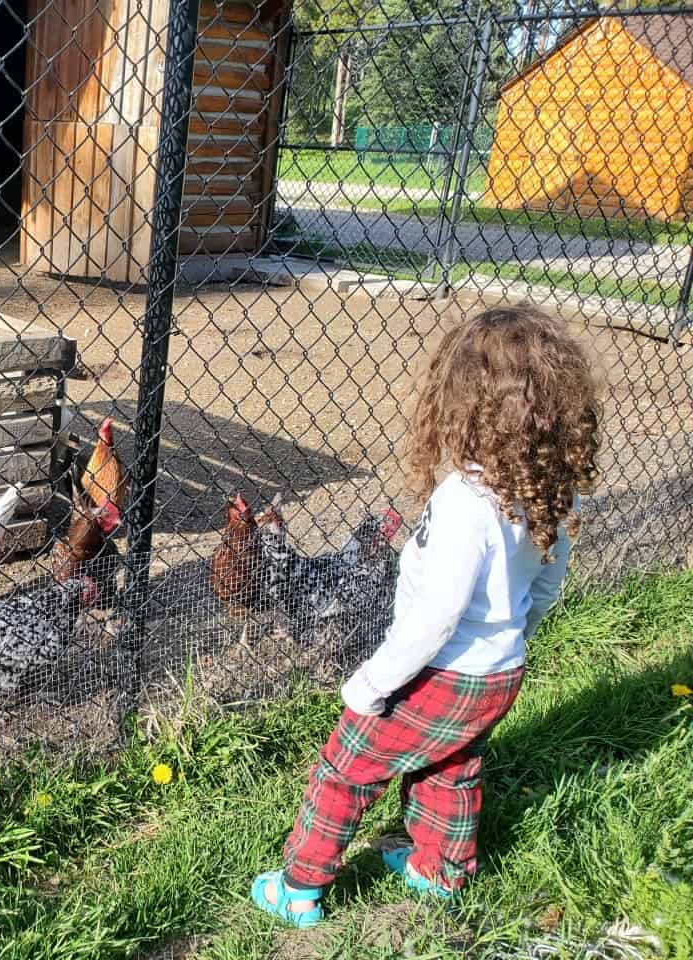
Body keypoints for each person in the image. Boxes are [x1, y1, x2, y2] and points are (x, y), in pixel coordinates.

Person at [251, 306, 601, 928]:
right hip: (499, 671)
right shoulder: (548, 488)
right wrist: (518, 638)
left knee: (347, 770)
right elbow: (547, 582)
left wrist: (374, 681)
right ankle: (439, 871)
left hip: (438, 671)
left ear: (464, 405)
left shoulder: (467, 501)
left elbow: (438, 616)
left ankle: (300, 886)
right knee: (451, 764)